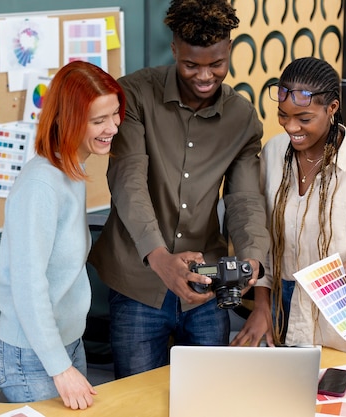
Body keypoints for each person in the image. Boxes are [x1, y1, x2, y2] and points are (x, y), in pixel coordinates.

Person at [89, 0, 270, 379]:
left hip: (206, 286)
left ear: (229, 52)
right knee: (135, 399)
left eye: (216, 64)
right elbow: (128, 181)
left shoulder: (241, 117)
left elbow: (244, 199)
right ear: (174, 50)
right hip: (138, 282)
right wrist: (158, 258)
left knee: (206, 393)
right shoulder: (134, 95)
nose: (205, 75)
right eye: (191, 64)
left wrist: (252, 256)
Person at [231, 57, 346, 357]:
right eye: (283, 115)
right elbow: (262, 235)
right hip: (281, 302)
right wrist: (262, 305)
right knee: (284, 396)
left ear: (331, 108)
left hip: (338, 306)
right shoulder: (273, 153)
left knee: (334, 399)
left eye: (304, 118)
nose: (291, 126)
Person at [0, 61, 125, 409]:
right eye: (99, 121)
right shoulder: (41, 185)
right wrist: (60, 367)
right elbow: (28, 284)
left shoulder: (70, 170)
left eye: (114, 114)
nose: (113, 127)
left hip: (64, 343)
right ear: (69, 121)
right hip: (32, 355)